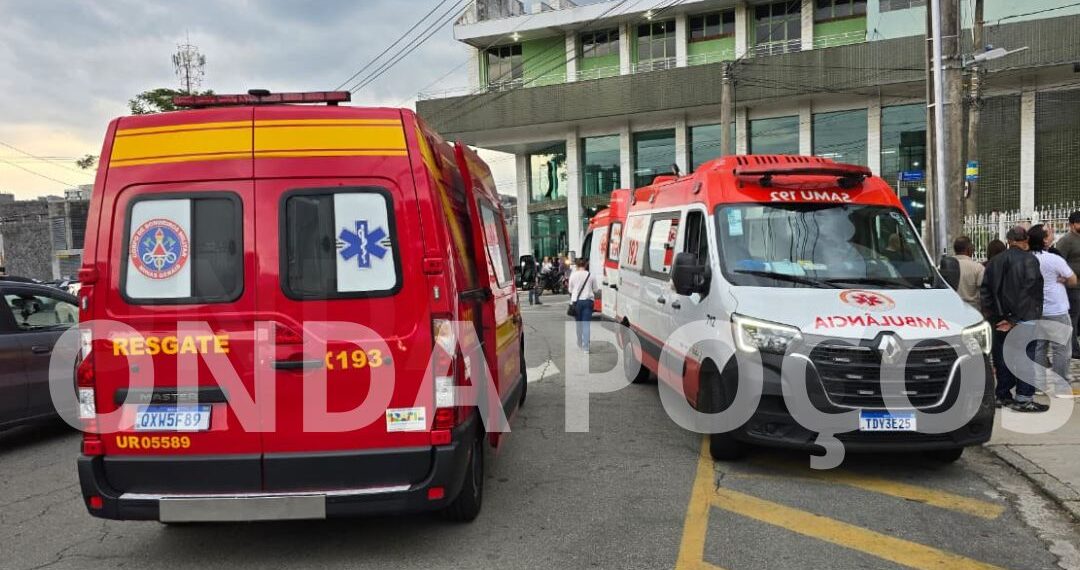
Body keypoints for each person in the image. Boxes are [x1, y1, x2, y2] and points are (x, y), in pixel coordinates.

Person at [981, 226, 1046, 412]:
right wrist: (1014, 318)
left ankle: (1002, 394)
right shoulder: (1030, 260)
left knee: (1002, 358)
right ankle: (1023, 398)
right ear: (1024, 240)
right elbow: (1030, 292)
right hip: (1024, 318)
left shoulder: (994, 262)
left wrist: (996, 317)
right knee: (1025, 358)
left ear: (1009, 240)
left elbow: (986, 292)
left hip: (999, 320)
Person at [1028, 224, 1078, 397]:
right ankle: (1062, 386)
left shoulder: (1028, 259)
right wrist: (1064, 280)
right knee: (1061, 348)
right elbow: (1073, 280)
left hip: (1035, 309)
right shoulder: (1053, 259)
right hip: (1056, 308)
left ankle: (1039, 386)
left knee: (1039, 347)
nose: (1052, 233)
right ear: (1044, 239)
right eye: (1049, 232)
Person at [1056, 211, 1080, 359]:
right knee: (1073, 318)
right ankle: (1073, 349)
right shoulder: (1066, 241)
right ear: (1072, 225)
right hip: (1073, 287)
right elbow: (1059, 262)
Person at [568, 257, 600, 353]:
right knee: (586, 324)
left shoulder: (573, 276)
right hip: (588, 302)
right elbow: (595, 290)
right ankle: (586, 347)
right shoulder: (591, 275)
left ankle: (579, 341)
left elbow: (570, 289)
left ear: (577, 265)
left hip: (576, 302)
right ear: (586, 265)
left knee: (579, 323)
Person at [952, 236, 984, 313]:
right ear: (969, 250)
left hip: (951, 309)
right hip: (972, 311)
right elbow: (983, 291)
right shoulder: (978, 268)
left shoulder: (942, 266)